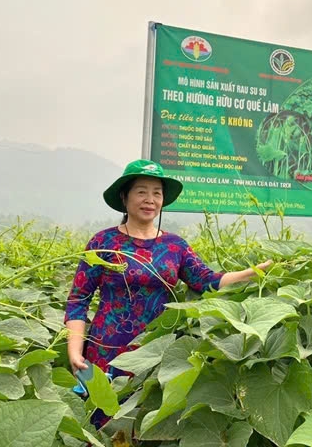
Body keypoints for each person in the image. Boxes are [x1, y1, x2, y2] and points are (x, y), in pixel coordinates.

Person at [64, 159, 271, 426]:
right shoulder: (103, 242)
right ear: (124, 197)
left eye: (156, 193)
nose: (149, 199)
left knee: (147, 422)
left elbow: (206, 281)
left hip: (156, 349)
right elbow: (78, 300)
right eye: (141, 191)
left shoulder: (175, 246)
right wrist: (74, 351)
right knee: (103, 421)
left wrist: (255, 272)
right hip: (107, 350)